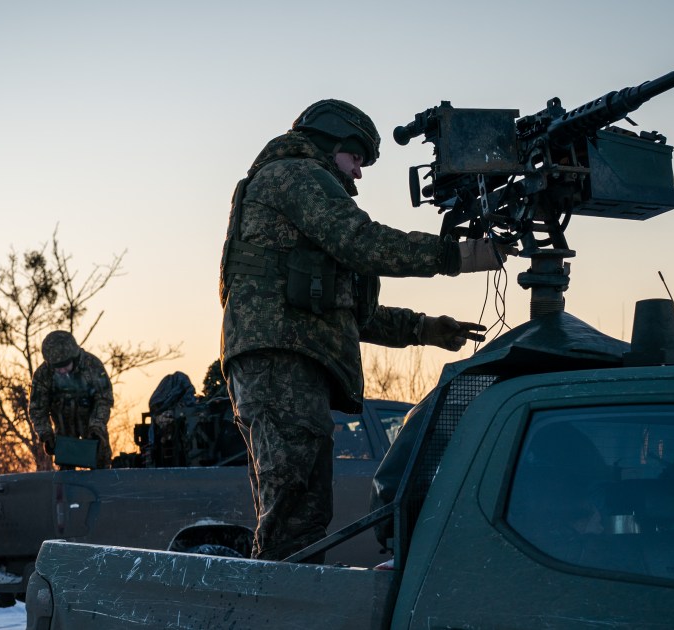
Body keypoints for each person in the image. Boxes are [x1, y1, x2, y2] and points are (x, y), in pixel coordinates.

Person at [219, 99, 513, 561]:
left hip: (285, 364)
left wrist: (427, 329)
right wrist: (455, 256)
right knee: (294, 518)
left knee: (302, 514)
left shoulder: (298, 203)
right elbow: (363, 242)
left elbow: (353, 314)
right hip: (281, 367)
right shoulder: (294, 174)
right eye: (356, 159)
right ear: (332, 142)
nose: (358, 174)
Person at [30, 330, 115, 469]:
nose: (62, 371)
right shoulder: (43, 375)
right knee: (66, 474)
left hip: (92, 425)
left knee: (101, 464)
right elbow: (38, 409)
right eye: (57, 368)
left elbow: (104, 399)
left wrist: (97, 426)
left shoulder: (92, 366)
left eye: (65, 365)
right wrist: (46, 434)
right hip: (64, 430)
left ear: (74, 358)